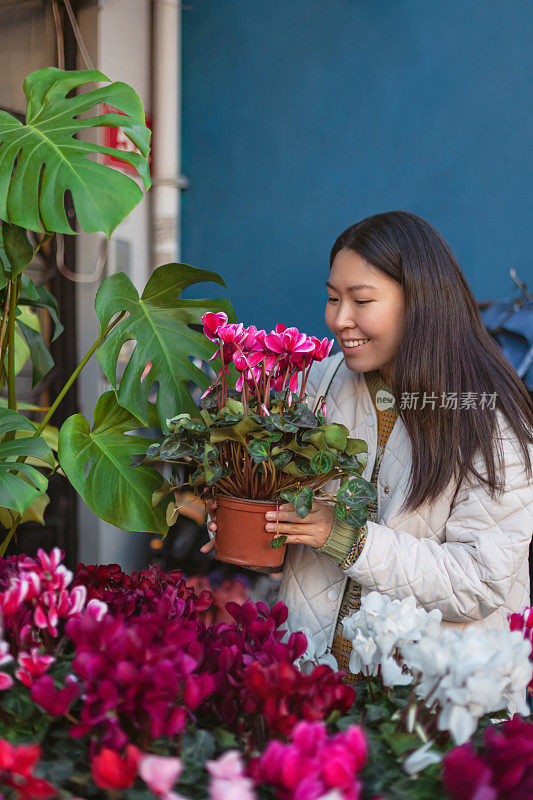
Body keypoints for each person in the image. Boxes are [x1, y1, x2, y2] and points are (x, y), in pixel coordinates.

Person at [202, 210, 533, 682]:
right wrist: (247, 516)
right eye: (333, 298)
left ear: (419, 302)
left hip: (430, 708)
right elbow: (283, 513)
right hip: (315, 686)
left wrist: (345, 537)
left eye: (361, 300)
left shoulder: (487, 417)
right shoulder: (318, 383)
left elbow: (479, 581)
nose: (340, 320)